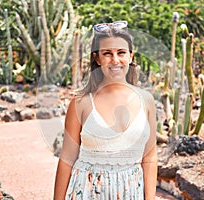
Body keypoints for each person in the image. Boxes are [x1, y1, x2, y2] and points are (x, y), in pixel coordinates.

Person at [54, 21, 158, 200]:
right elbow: (67, 159)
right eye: (107, 53)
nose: (115, 60)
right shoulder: (80, 103)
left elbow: (149, 157)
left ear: (131, 57)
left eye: (121, 53)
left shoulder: (146, 100)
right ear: (97, 58)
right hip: (86, 192)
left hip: (131, 192)